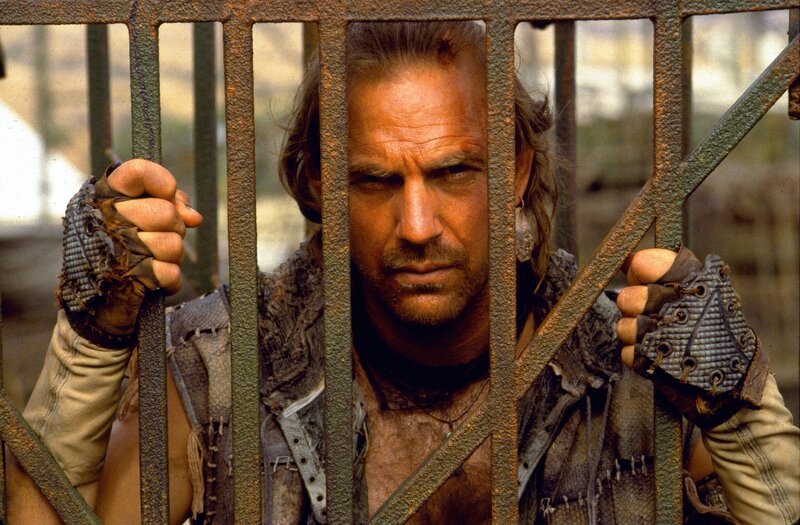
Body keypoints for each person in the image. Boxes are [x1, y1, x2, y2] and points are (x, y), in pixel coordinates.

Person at [6, 21, 799, 525]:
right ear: (319, 184)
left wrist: (740, 402)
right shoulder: (226, 364)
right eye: (377, 180)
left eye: (453, 172)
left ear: (517, 169)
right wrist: (90, 334)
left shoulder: (628, 369)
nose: (417, 226)